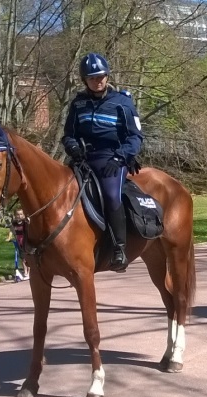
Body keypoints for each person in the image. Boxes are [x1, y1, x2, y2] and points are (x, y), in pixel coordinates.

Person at [62, 52, 144, 272]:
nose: (97, 81)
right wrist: (72, 147)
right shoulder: (78, 105)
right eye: (92, 78)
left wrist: (121, 157)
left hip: (112, 159)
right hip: (83, 158)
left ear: (107, 76)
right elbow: (68, 134)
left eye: (101, 76)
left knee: (110, 194)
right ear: (85, 80)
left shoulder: (122, 102)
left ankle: (119, 248)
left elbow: (135, 136)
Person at [6, 208, 30, 281]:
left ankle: (29, 273)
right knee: (22, 258)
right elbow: (11, 230)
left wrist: (28, 221)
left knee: (28, 258)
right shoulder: (14, 223)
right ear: (15, 215)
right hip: (19, 241)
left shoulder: (25, 222)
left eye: (21, 214)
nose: (19, 216)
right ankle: (25, 272)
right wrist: (9, 237)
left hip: (26, 240)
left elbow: (29, 227)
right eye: (17, 214)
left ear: (23, 215)